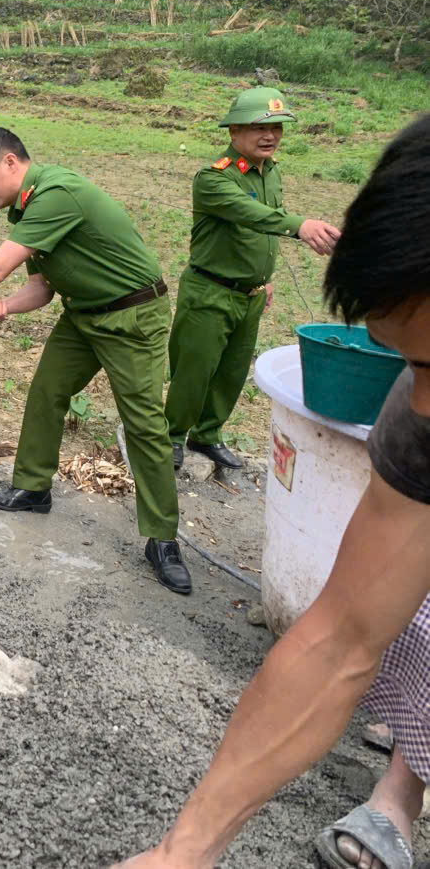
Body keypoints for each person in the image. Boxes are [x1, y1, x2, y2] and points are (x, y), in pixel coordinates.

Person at [113, 114, 430, 869]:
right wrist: (182, 851)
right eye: (413, 364)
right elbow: (340, 638)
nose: (422, 400)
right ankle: (399, 794)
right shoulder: (419, 415)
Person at [0, 127, 189, 594]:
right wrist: (7, 307)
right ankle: (33, 488)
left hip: (131, 316)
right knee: (48, 391)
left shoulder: (56, 194)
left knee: (144, 423)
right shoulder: (27, 208)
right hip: (83, 314)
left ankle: (163, 539)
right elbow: (42, 288)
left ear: (10, 162)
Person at [164, 87, 341, 470]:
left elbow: (259, 232)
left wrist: (264, 277)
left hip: (250, 293)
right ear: (234, 132)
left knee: (232, 372)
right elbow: (253, 216)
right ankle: (172, 436)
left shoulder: (270, 172)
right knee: (195, 370)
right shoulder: (213, 179)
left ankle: (207, 434)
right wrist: (300, 226)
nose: (270, 136)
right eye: (260, 128)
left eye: (276, 128)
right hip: (211, 290)